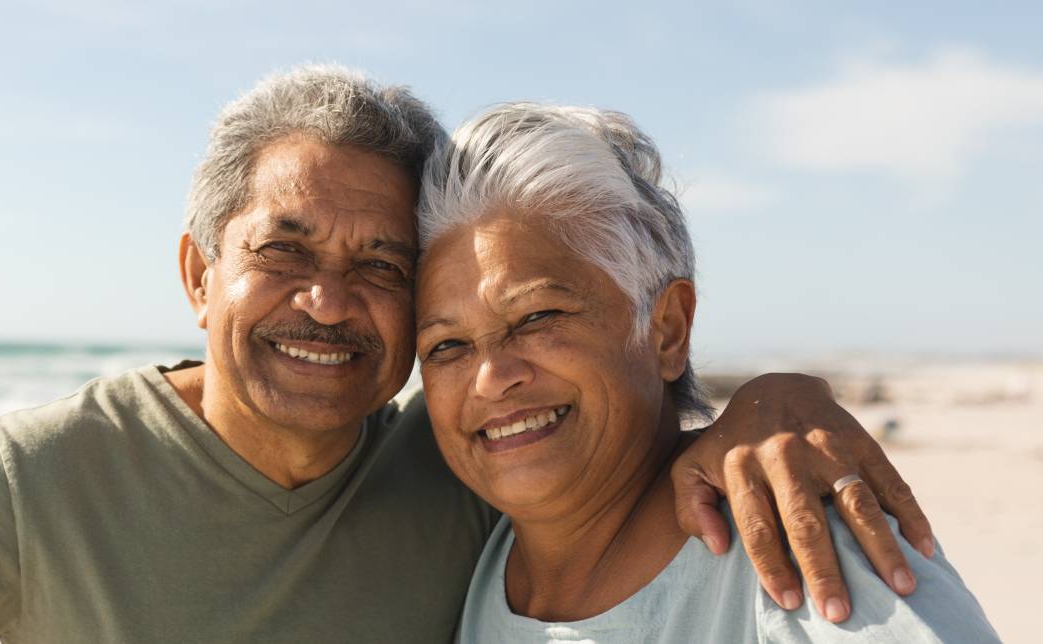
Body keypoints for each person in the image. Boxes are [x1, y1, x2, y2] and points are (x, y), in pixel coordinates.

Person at [0, 66, 934, 643]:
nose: (328, 301)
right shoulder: (41, 475)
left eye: (384, 266)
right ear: (199, 275)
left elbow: (608, 435)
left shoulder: (457, 465)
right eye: (283, 250)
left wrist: (771, 403)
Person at [413, 102, 998, 642]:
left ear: (667, 329)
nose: (491, 377)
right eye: (447, 346)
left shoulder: (798, 545)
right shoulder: (467, 548)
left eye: (538, 316)